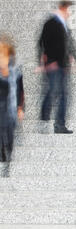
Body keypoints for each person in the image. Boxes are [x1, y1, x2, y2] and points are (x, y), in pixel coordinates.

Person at [37, 0, 76, 134]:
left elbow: (69, 44)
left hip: (63, 65)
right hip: (53, 64)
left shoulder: (64, 25)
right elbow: (42, 42)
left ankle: (59, 125)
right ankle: (44, 120)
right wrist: (45, 62)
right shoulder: (51, 23)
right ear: (63, 9)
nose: (69, 14)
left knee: (63, 95)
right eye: (68, 10)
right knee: (52, 92)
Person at [0, 35, 24, 177]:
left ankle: (7, 153)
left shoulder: (15, 71)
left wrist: (21, 108)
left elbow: (21, 90)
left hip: (10, 108)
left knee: (9, 134)